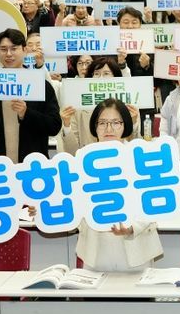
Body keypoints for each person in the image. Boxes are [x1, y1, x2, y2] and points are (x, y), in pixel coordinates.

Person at [33, 99, 163, 272]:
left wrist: (132, 228)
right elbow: (69, 201)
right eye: (102, 123)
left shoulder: (140, 157)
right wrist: (42, 209)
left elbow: (154, 202)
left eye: (115, 122)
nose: (109, 129)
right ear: (94, 127)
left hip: (136, 249)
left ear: (125, 124)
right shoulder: (82, 159)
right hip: (95, 251)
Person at [0, 29, 61, 162]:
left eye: (14, 49)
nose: (8, 54)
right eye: (3, 49)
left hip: (31, 165)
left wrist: (26, 113)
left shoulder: (40, 84)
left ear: (24, 50)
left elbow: (54, 126)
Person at [60, 57, 140, 155]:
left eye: (106, 73)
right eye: (96, 74)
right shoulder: (78, 107)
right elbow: (72, 152)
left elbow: (136, 148)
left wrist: (133, 122)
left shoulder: (129, 107)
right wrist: (67, 125)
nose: (100, 78)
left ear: (116, 77)